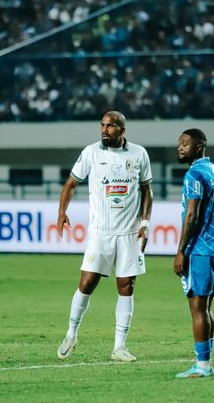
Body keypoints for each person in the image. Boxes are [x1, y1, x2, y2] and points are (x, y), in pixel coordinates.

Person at [56, 111, 153, 362]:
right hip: (101, 233)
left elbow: (147, 191)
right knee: (87, 283)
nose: (104, 129)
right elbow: (70, 184)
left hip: (130, 233)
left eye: (110, 126)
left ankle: (119, 347)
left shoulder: (139, 154)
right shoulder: (91, 153)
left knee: (126, 287)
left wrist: (145, 223)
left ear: (122, 129)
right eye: (102, 125)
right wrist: (61, 212)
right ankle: (71, 334)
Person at [173, 129, 214, 378]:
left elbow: (192, 215)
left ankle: (202, 366)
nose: (180, 147)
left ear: (199, 147)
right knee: (205, 308)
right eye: (179, 143)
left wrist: (180, 251)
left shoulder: (194, 173)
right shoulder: (213, 170)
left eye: (185, 143)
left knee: (197, 307)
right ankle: (207, 363)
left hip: (201, 249)